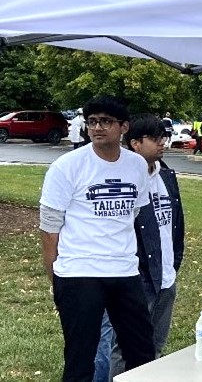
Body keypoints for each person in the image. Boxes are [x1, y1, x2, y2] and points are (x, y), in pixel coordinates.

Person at [39, 95, 155, 381]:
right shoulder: (67, 166)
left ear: (124, 127)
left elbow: (135, 210)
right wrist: (55, 276)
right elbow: (50, 225)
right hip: (80, 272)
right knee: (81, 358)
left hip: (125, 271)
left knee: (142, 353)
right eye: (92, 121)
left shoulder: (137, 165)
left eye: (105, 121)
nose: (97, 127)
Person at [104, 114, 185, 379]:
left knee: (156, 345)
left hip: (166, 276)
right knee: (125, 346)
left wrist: (173, 263)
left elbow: (176, 224)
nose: (163, 143)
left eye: (164, 137)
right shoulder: (124, 179)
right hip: (136, 276)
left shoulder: (167, 175)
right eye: (155, 138)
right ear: (135, 143)